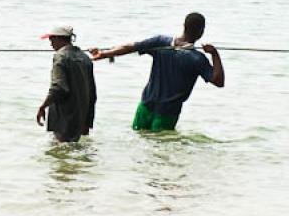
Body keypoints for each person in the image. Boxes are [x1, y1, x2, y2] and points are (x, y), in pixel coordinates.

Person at [90, 12, 224, 132]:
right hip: (167, 113)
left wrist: (105, 54)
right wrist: (214, 53)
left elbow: (131, 47)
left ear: (184, 25)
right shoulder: (197, 58)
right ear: (201, 32)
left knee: (139, 138)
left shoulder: (160, 42)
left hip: (145, 105)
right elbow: (218, 81)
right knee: (159, 149)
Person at [36, 26, 97, 142]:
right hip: (81, 116)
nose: (50, 44)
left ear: (59, 39)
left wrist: (43, 106)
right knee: (76, 152)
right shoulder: (85, 58)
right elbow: (92, 93)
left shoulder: (60, 56)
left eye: (51, 40)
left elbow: (58, 87)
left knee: (60, 152)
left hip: (64, 117)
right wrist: (88, 121)